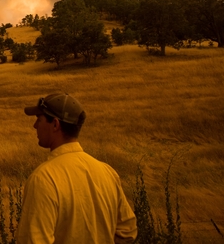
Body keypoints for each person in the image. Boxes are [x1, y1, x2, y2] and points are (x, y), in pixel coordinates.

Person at [16, 93, 137, 244]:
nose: (34, 126)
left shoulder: (44, 179)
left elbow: (33, 240)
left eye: (38, 119)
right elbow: (128, 231)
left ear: (55, 124)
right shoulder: (107, 172)